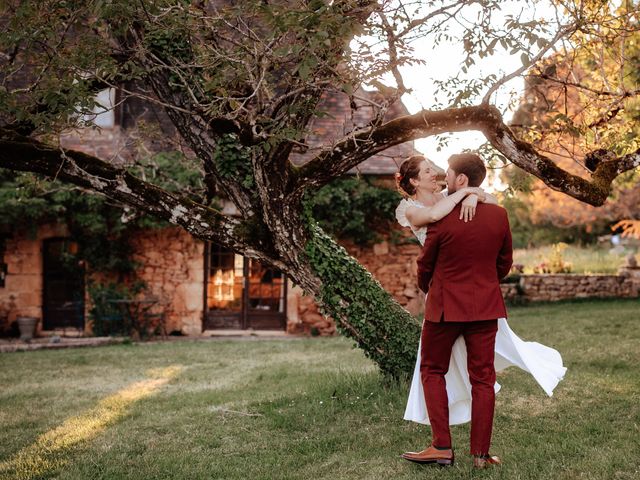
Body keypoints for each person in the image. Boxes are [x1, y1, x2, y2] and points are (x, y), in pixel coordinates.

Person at [396, 154, 566, 469]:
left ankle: (442, 447)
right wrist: (484, 285)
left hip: (444, 307)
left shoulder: (440, 219)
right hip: (486, 307)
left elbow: (425, 265)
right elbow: (504, 263)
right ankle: (481, 455)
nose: (441, 176)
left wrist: (431, 290)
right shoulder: (499, 215)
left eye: (445, 172)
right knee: (483, 379)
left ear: (460, 179)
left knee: (433, 370)